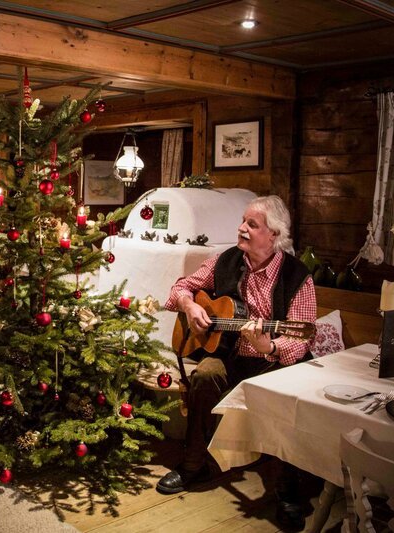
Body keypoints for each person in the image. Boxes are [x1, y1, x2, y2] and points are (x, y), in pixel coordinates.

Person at [157, 195, 316, 531]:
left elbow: (302, 339)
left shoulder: (297, 275)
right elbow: (180, 289)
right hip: (230, 356)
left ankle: (288, 490)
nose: (241, 228)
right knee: (204, 375)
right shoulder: (225, 260)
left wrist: (269, 344)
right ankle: (194, 463)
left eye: (251, 224)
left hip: (273, 363)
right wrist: (189, 306)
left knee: (289, 399)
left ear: (273, 235)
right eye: (243, 221)